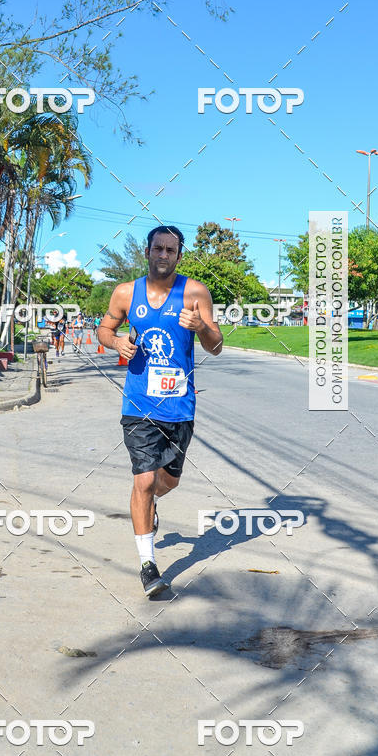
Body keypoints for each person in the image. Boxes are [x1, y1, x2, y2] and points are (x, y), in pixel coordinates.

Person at [97, 225, 223, 596]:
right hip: (138, 404)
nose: (163, 255)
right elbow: (105, 328)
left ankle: (150, 505)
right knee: (143, 481)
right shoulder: (125, 293)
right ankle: (148, 566)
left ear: (179, 255)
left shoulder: (195, 292)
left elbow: (216, 346)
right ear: (147, 252)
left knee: (167, 482)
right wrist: (116, 341)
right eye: (158, 248)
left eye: (171, 250)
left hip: (180, 407)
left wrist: (201, 327)